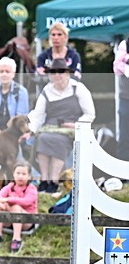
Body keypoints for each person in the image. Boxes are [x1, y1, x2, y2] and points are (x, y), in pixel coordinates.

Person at [27, 58, 95, 194]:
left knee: (57, 140)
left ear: (67, 73)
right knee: (43, 138)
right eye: (54, 72)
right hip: (50, 127)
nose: (57, 75)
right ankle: (44, 180)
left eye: (61, 72)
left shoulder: (78, 88)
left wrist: (76, 125)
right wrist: (31, 130)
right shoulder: (46, 91)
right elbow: (38, 114)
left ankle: (54, 181)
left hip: (71, 129)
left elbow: (90, 114)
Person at [0, 162, 38, 254]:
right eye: (18, 173)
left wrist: (8, 199)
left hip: (27, 221)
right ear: (13, 175)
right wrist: (0, 203)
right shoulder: (9, 186)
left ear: (29, 176)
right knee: (0, 206)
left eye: (23, 174)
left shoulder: (31, 189)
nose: (20, 176)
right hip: (10, 220)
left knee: (15, 207)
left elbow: (26, 201)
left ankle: (16, 239)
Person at [113, 37, 129, 161]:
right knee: (125, 135)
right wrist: (126, 68)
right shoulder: (125, 44)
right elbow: (117, 66)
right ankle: (123, 172)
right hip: (126, 98)